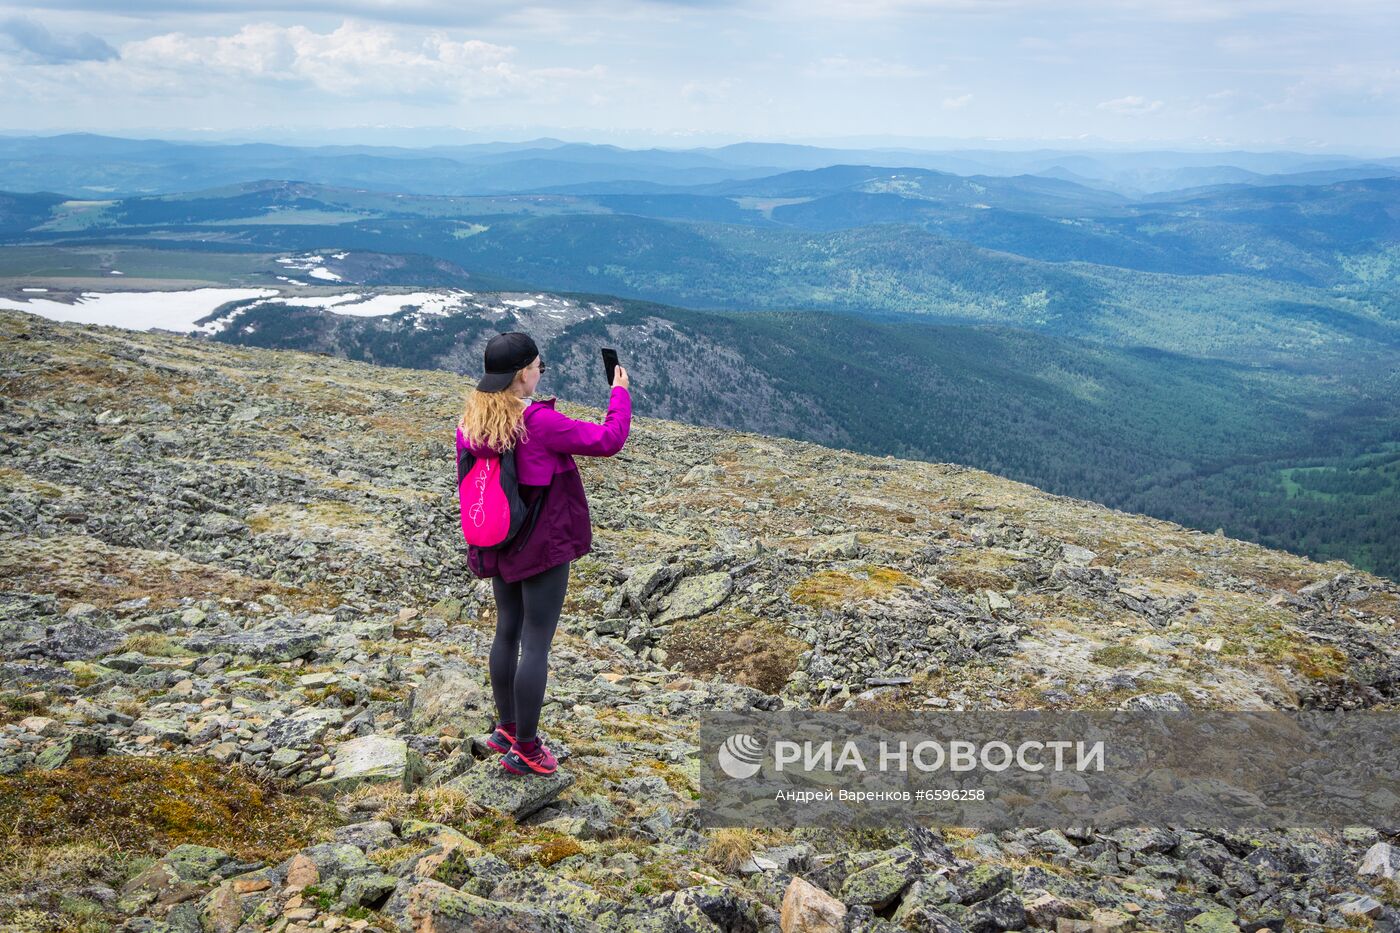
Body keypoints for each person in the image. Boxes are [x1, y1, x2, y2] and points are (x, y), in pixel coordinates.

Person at [455, 331, 631, 776]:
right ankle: (528, 750)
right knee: (536, 642)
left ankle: (507, 729)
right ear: (521, 375)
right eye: (538, 367)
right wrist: (620, 394)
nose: (540, 373)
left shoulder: (472, 424)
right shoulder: (538, 423)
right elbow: (609, 440)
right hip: (542, 545)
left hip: (499, 538)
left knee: (507, 632)